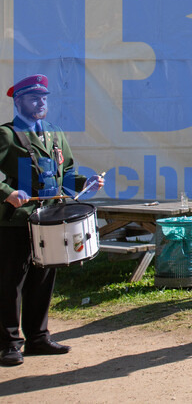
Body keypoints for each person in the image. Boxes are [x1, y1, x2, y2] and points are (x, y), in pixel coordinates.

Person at [0, 74, 103, 367]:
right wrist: (7, 192)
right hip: (16, 220)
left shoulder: (55, 134)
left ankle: (37, 338)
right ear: (18, 101)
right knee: (11, 283)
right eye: (34, 98)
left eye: (44, 98)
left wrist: (88, 182)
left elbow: (67, 175)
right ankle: (9, 344)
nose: (41, 102)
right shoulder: (7, 135)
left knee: (42, 279)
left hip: (50, 219)